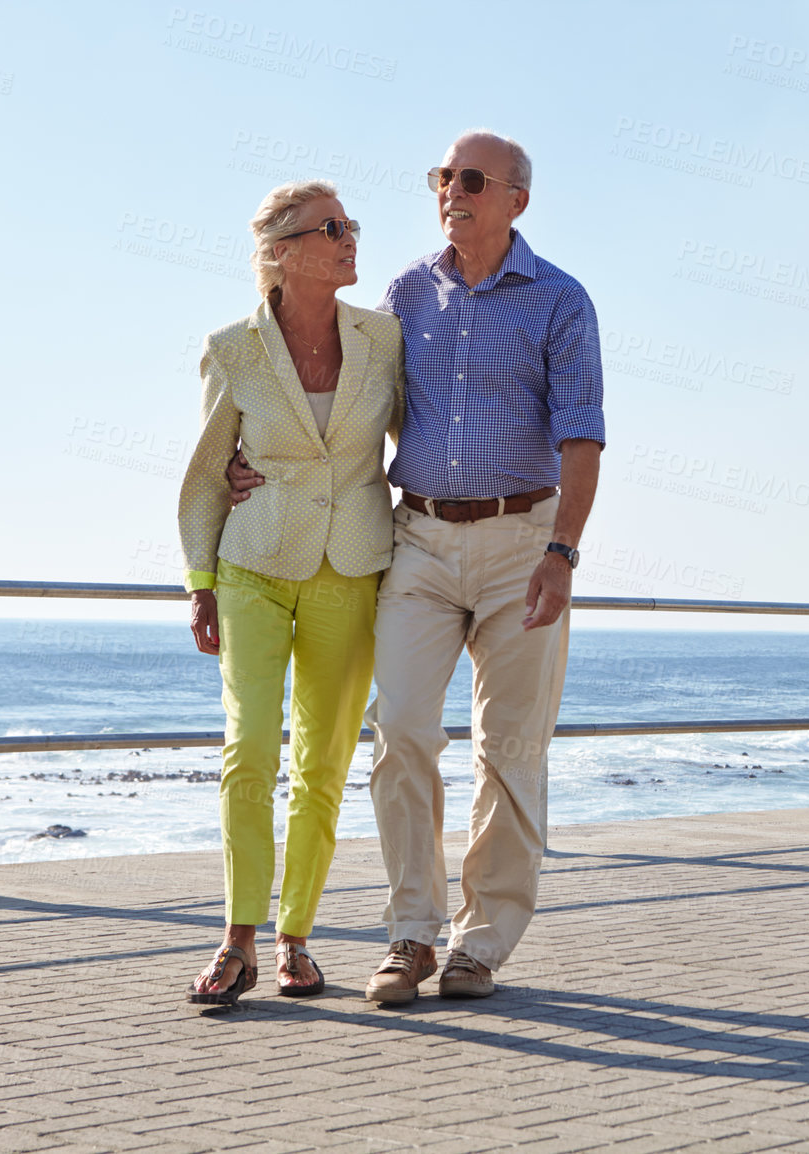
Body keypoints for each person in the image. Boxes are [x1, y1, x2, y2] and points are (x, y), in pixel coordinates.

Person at [228, 130, 604, 1001]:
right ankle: (410, 933)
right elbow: (348, 407)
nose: (450, 190)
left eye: (470, 178)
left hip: (524, 543)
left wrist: (561, 552)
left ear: (517, 198)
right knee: (398, 732)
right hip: (421, 540)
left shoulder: (561, 300)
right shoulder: (404, 294)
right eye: (442, 176)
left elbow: (583, 437)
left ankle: (482, 942)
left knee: (510, 750)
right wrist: (252, 465)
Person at [177, 180, 403, 1005]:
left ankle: (295, 940)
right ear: (282, 250)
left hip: (352, 568)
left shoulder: (383, 338)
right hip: (253, 567)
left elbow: (418, 442)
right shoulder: (232, 347)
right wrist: (200, 583)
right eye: (331, 229)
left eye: (351, 226)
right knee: (250, 752)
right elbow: (207, 477)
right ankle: (237, 936)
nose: (350, 240)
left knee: (324, 763)